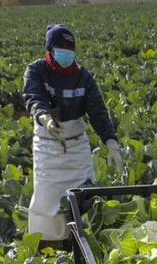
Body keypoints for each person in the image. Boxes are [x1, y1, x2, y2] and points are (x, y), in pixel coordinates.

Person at [23, 23, 124, 245]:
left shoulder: (83, 77)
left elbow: (98, 111)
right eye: (60, 48)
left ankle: (80, 244)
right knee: (47, 199)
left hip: (77, 145)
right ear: (50, 49)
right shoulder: (36, 71)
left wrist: (111, 142)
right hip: (48, 144)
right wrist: (45, 118)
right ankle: (49, 245)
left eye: (70, 49)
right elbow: (34, 97)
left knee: (83, 197)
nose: (66, 53)